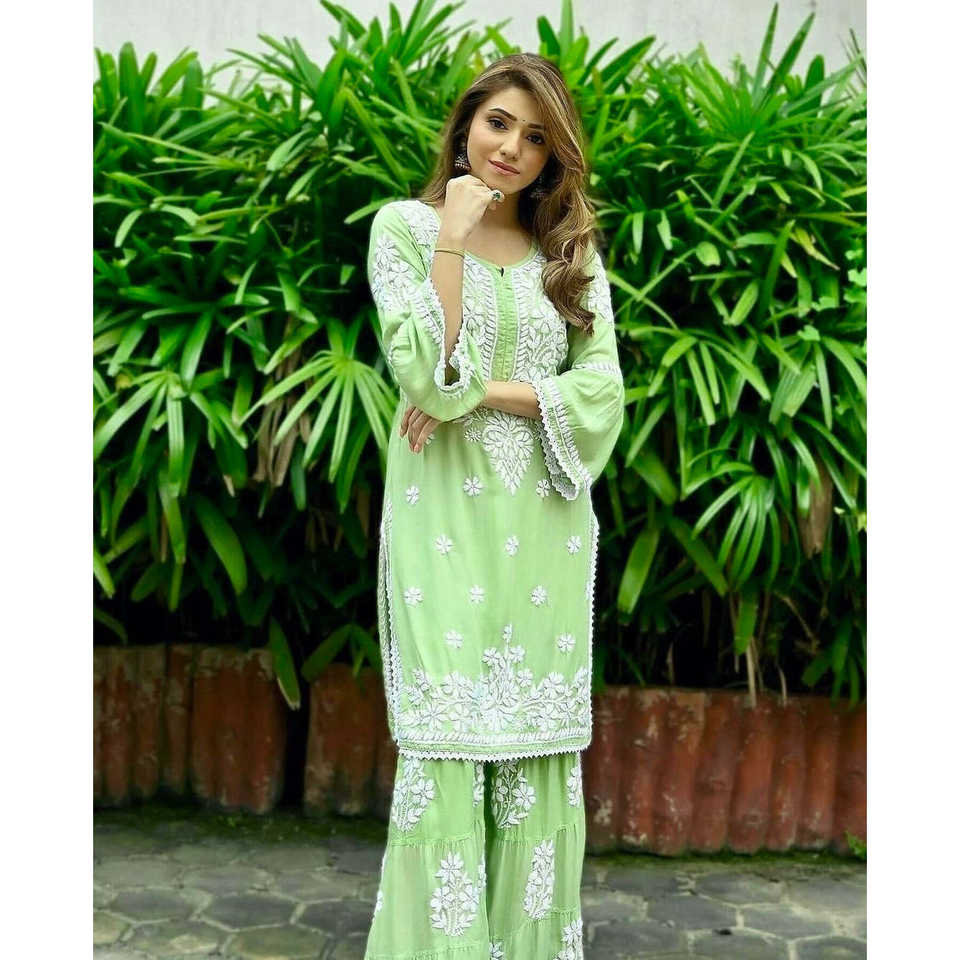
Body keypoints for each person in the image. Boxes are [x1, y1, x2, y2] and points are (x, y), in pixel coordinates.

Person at [363, 52, 624, 960]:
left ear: (554, 157)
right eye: (499, 123)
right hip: (441, 522)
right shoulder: (404, 229)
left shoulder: (569, 256)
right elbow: (427, 375)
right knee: (444, 743)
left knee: (532, 754)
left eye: (536, 137)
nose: (511, 148)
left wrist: (486, 393)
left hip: (544, 526)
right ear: (467, 124)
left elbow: (602, 393)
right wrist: (453, 235)